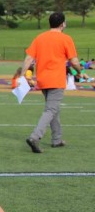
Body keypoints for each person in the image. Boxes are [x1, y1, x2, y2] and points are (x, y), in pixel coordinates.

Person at [23, 12, 87, 153]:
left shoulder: (40, 38)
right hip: (56, 79)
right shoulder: (66, 39)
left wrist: (22, 74)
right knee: (51, 110)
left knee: (54, 109)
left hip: (43, 79)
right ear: (62, 24)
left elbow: (28, 58)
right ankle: (35, 137)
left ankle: (56, 139)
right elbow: (74, 60)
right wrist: (80, 70)